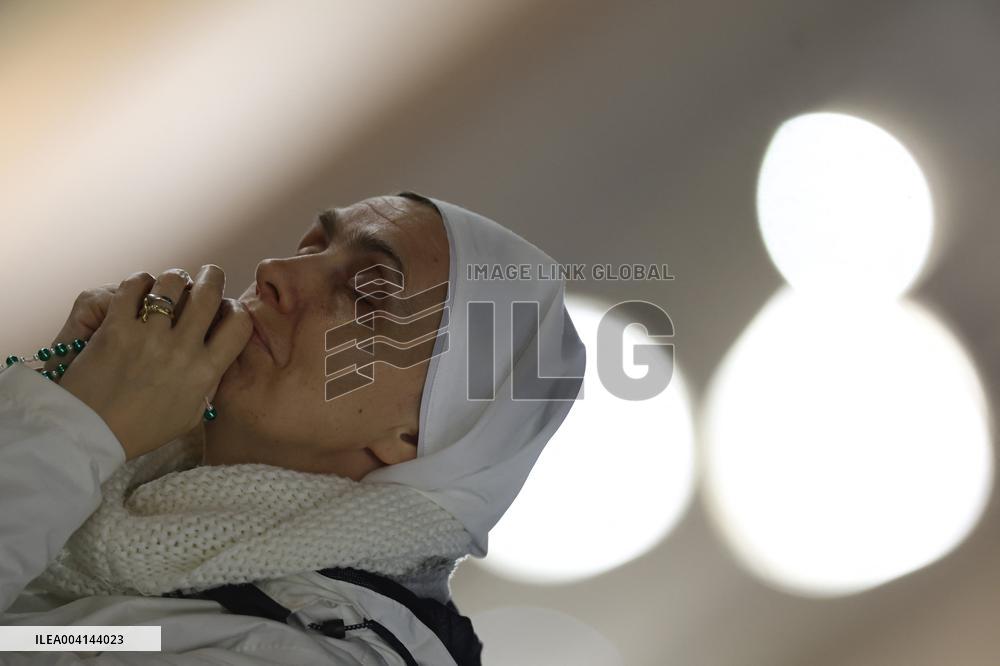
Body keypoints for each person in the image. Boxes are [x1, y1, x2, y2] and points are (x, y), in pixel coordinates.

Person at [0, 192, 586, 665]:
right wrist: (57, 397)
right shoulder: (121, 505)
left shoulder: (305, 652)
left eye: (365, 294)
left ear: (418, 439)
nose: (276, 271)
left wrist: (73, 432)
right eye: (314, 244)